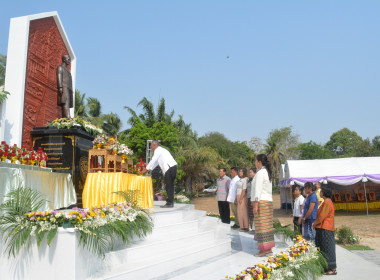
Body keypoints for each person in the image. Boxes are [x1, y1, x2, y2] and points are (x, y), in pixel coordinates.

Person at [251, 154, 275, 257]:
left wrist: (255, 205)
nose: (255, 163)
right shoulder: (267, 172)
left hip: (262, 201)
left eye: (256, 161)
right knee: (267, 226)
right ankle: (268, 248)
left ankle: (264, 250)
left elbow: (258, 190)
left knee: (261, 226)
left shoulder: (261, 173)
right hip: (268, 202)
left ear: (259, 162)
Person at [142, 140, 177, 208]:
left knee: (169, 186)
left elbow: (153, 160)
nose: (151, 147)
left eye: (151, 145)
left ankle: (169, 203)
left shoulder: (158, 150)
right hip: (172, 167)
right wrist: (148, 169)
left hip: (170, 168)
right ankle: (170, 202)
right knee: (170, 186)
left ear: (154, 145)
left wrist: (146, 169)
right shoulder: (161, 150)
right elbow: (156, 163)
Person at [313, 187, 337, 275]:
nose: (320, 193)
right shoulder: (326, 202)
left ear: (324, 193)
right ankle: (326, 267)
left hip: (326, 228)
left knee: (327, 248)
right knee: (324, 248)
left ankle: (331, 269)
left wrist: (315, 223)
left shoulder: (327, 202)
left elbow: (322, 216)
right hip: (323, 228)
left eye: (321, 191)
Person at [246, 167, 257, 233]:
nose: (249, 173)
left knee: (254, 214)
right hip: (249, 198)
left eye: (251, 172)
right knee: (250, 214)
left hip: (255, 199)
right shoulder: (249, 180)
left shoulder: (257, 181)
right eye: (249, 172)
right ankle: (252, 228)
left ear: (255, 173)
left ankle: (254, 229)